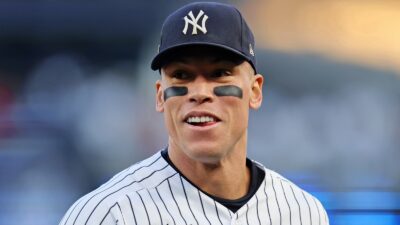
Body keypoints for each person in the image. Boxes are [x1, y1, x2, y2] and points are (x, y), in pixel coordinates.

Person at [59, 2, 329, 225]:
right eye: (181, 75)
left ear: (255, 91)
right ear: (159, 95)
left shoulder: (302, 212)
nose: (199, 92)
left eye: (220, 73)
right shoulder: (109, 214)